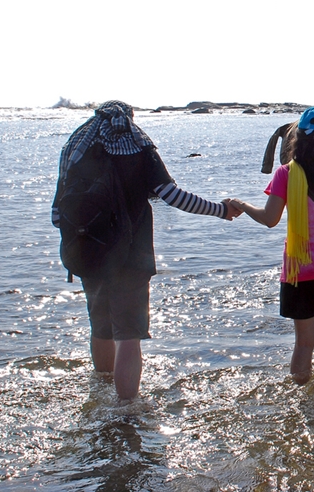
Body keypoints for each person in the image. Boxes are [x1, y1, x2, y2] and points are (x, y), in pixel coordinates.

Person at [52, 100, 239, 402]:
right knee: (128, 334)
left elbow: (57, 215)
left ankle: (101, 391)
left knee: (100, 327)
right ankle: (126, 409)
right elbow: (173, 196)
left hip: (86, 254)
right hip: (130, 257)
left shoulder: (76, 148)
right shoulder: (137, 146)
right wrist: (221, 210)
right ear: (130, 119)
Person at [229, 107, 314, 384]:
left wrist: (243, 206)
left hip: (299, 270)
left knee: (304, 343)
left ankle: (301, 399)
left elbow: (270, 219)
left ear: (298, 138)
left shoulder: (285, 174)